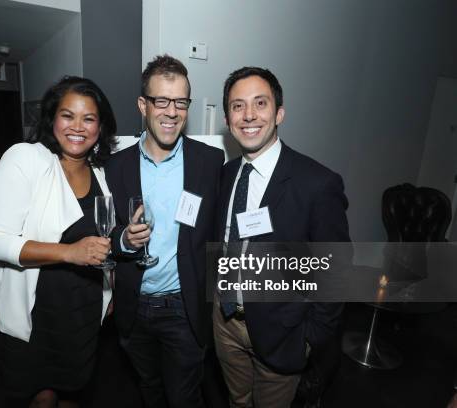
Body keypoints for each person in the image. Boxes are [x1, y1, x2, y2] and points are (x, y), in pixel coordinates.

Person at [213, 67, 350, 408]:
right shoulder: (226, 175)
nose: (248, 115)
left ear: (279, 113)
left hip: (283, 332)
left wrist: (310, 338)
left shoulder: (317, 184)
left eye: (260, 103)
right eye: (237, 106)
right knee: (237, 400)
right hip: (225, 321)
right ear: (228, 119)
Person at [0, 76, 117, 408]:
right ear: (52, 118)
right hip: (36, 307)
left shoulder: (102, 172)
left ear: (100, 126)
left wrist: (112, 289)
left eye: (89, 118)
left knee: (74, 387)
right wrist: (70, 252)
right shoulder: (26, 159)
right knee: (41, 396)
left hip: (83, 305)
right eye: (68, 115)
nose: (77, 127)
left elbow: (105, 239)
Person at [105, 55, 224, 408]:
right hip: (134, 307)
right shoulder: (115, 166)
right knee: (149, 387)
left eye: (181, 102)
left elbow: (219, 228)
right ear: (144, 105)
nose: (172, 112)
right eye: (162, 101)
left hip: (184, 309)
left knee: (183, 397)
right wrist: (124, 240)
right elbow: (103, 232)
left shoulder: (209, 162)